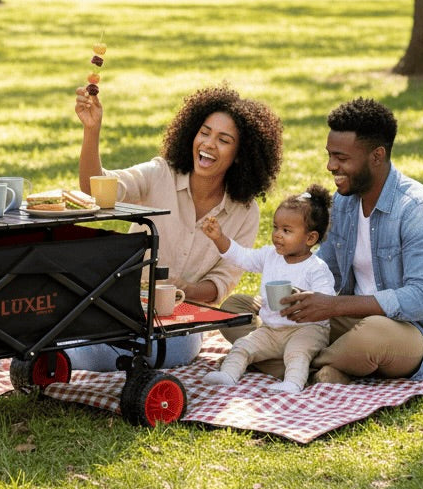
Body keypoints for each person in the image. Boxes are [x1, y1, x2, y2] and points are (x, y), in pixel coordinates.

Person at [71, 83, 283, 368]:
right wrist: (91, 130)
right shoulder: (161, 174)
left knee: (177, 346)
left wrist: (183, 291)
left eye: (223, 139)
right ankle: (77, 354)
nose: (208, 144)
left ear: (241, 154)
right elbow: (95, 192)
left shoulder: (245, 212)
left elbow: (222, 281)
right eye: (204, 132)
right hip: (125, 304)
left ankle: (72, 357)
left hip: (182, 320)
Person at [277, 97, 423, 384]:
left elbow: (422, 299)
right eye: (330, 155)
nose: (330, 166)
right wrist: (294, 291)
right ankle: (330, 368)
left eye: (342, 158)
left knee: (371, 336)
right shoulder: (344, 203)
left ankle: (291, 363)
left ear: (377, 156)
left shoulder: (419, 211)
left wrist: (335, 306)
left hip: (409, 334)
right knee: (244, 311)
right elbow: (329, 270)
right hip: (351, 323)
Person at [200, 185, 336, 394]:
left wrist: (302, 298)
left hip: (308, 329)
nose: (277, 235)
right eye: (275, 227)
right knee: (243, 345)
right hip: (272, 329)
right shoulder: (270, 256)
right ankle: (228, 375)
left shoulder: (316, 268)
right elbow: (241, 257)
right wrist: (219, 238)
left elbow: (326, 300)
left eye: (286, 230)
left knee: (297, 351)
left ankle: (293, 383)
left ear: (310, 238)